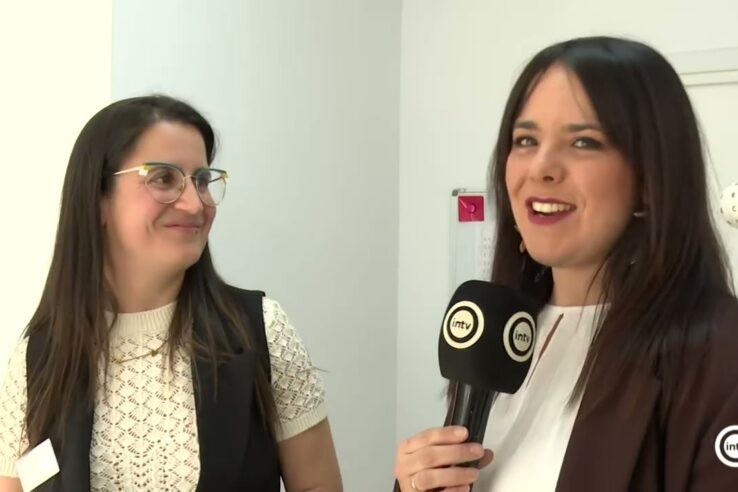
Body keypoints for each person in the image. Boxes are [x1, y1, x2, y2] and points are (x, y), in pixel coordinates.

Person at [394, 36, 738, 491]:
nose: (541, 167)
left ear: (650, 177)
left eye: (583, 141)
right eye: (525, 140)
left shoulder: (720, 356)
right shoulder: (499, 340)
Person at [0, 95, 342, 491]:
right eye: (164, 179)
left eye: (202, 180)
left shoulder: (260, 331)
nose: (195, 204)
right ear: (98, 200)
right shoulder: (38, 357)